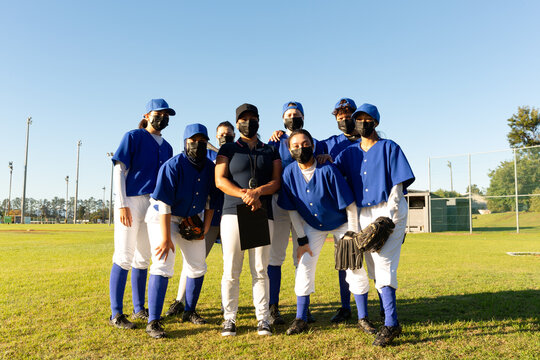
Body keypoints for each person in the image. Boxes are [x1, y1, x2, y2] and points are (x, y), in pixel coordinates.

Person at [277, 129, 372, 335]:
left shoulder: (327, 169)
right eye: (295, 145)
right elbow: (292, 209)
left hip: (341, 223)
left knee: (353, 266)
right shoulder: (289, 173)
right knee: (304, 267)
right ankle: (301, 318)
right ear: (289, 149)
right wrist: (301, 238)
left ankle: (363, 317)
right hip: (313, 225)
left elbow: (350, 205)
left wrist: (353, 234)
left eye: (305, 144)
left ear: (312, 145)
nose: (301, 148)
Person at [334, 103, 415, 346]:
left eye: (367, 119)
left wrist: (389, 219)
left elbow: (397, 188)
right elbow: (331, 173)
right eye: (358, 119)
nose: (362, 123)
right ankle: (365, 317)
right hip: (360, 213)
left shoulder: (389, 147)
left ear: (376, 122)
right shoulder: (348, 153)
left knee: (383, 264)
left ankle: (391, 323)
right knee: (358, 263)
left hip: (388, 210)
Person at [144, 123, 217, 338]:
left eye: (202, 141)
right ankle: (153, 321)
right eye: (193, 141)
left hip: (191, 217)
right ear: (185, 143)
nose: (198, 144)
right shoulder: (173, 165)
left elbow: (211, 202)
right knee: (163, 264)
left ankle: (189, 310)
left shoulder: (210, 167)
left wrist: (204, 228)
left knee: (197, 265)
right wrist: (166, 238)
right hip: (162, 217)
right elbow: (164, 203)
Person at [108, 98, 175, 330]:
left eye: (166, 115)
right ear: (147, 115)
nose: (163, 118)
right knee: (124, 255)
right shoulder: (133, 136)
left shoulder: (167, 147)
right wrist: (122, 203)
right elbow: (119, 169)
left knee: (143, 256)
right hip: (132, 200)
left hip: (155, 204)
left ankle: (139, 309)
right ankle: (116, 313)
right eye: (159, 113)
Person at [215, 103, 281, 336]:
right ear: (237, 122)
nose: (249, 122)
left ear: (259, 121)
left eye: (253, 118)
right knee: (231, 270)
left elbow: (276, 181)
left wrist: (257, 193)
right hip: (233, 212)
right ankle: (229, 318)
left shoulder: (269, 150)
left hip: (262, 213)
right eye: (244, 118)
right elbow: (220, 180)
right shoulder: (229, 149)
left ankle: (263, 318)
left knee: (260, 270)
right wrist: (245, 194)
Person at [165, 121, 235, 317]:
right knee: (194, 260)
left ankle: (226, 302)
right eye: (221, 134)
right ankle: (180, 300)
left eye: (228, 134)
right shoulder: (209, 156)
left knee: (229, 262)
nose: (224, 137)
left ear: (234, 135)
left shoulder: (238, 154)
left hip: (230, 214)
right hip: (210, 217)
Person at [266, 101, 325, 325]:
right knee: (276, 256)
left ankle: (305, 307)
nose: (293, 117)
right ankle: (273, 307)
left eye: (296, 113)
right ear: (282, 119)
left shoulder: (314, 142)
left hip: (305, 205)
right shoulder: (275, 142)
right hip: (280, 204)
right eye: (288, 114)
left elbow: (321, 163)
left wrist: (324, 157)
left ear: (303, 116)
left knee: (303, 255)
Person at [319, 97, 361, 323]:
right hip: (342, 210)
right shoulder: (329, 143)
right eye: (340, 116)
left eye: (348, 114)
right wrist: (279, 133)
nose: (344, 119)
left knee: (373, 258)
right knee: (345, 258)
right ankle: (346, 306)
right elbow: (299, 143)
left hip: (368, 206)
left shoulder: (372, 139)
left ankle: (382, 306)